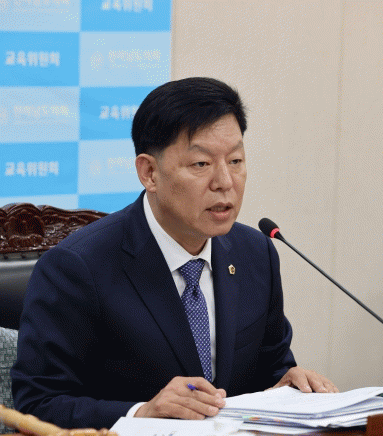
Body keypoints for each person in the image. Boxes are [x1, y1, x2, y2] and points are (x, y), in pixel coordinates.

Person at [11, 77, 338, 430]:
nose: (225, 181)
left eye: (236, 160)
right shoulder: (77, 267)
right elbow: (37, 404)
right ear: (149, 173)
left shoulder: (256, 253)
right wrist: (141, 412)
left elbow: (271, 367)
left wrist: (289, 384)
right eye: (201, 164)